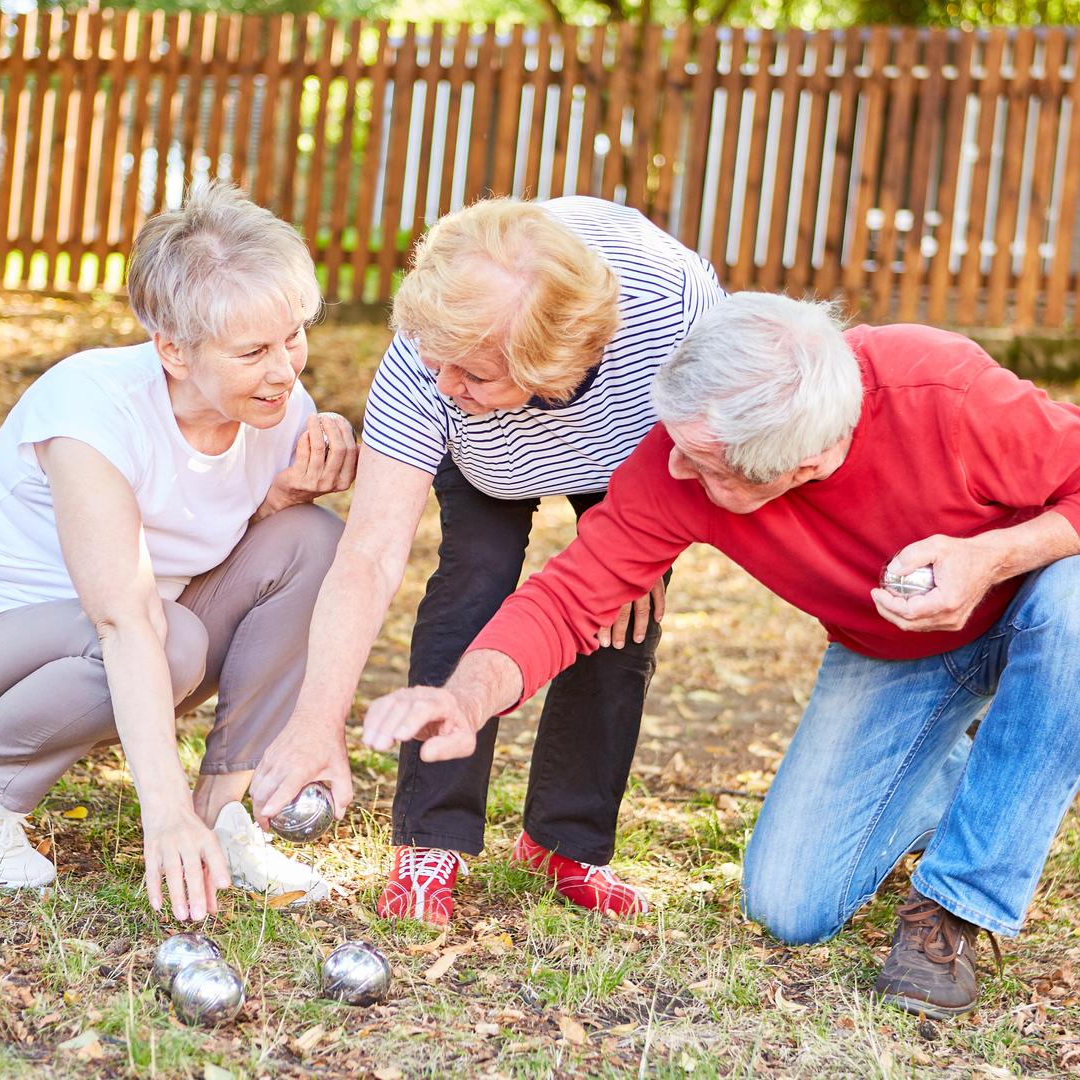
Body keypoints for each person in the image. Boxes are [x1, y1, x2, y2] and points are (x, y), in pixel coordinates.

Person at [358, 293, 1080, 1017]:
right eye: (675, 443)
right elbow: (570, 597)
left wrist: (991, 559)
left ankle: (956, 908)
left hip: (1035, 601)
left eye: (705, 463)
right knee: (790, 902)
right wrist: (465, 699)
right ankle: (963, 771)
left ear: (808, 463)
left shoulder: (948, 392)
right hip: (897, 650)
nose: (673, 466)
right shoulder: (681, 452)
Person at [245, 196, 725, 926]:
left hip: (626, 454)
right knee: (472, 588)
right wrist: (318, 721)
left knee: (619, 620)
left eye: (470, 373)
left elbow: (723, 440)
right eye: (435, 362)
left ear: (553, 363)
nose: (441, 385)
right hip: (485, 458)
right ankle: (430, 842)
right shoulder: (432, 356)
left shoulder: (677, 314)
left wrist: (645, 546)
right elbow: (369, 555)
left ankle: (567, 843)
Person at [0, 183, 356, 924]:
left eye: (294, 335)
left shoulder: (273, 410)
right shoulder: (90, 409)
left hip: (141, 638)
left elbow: (204, 552)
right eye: (253, 351)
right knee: (171, 642)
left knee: (313, 541)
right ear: (172, 347)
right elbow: (126, 618)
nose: (286, 369)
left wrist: (277, 504)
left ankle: (224, 815)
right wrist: (158, 812)